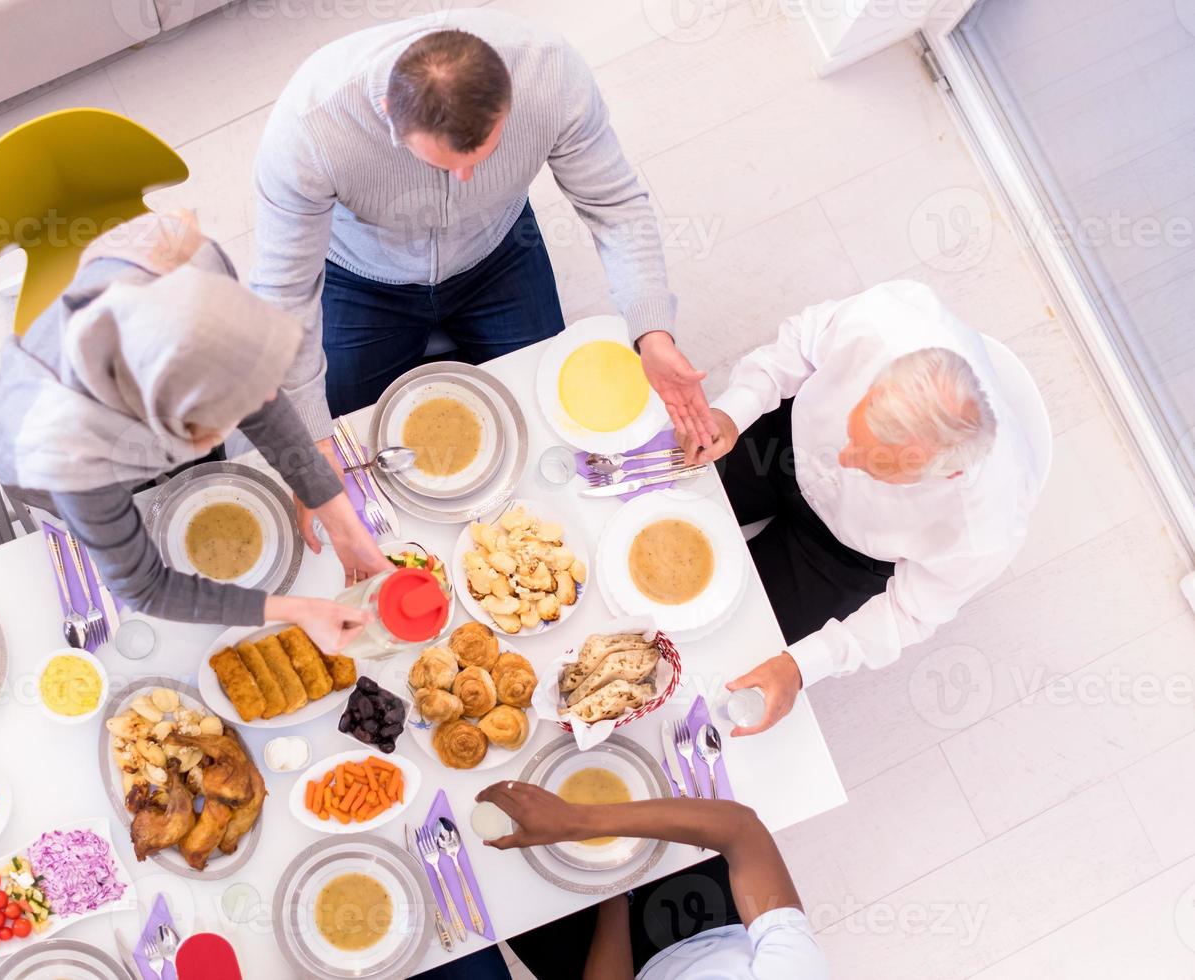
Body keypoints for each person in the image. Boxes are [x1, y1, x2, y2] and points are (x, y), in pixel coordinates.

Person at [250, 9, 720, 546]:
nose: (465, 181)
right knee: (343, 437)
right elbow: (283, 295)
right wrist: (310, 437)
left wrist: (652, 328)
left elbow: (614, 204)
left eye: (483, 154)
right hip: (360, 277)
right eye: (444, 164)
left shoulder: (549, 73)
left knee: (550, 421)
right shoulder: (310, 128)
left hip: (498, 254)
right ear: (387, 113)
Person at [0, 212, 388, 652]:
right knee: (106, 529)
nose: (247, 414)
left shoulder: (192, 264)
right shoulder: (69, 453)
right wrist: (295, 610)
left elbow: (257, 395)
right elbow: (145, 586)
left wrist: (343, 523)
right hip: (42, 454)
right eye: (218, 425)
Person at [701, 281, 1040, 735]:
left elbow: (909, 612)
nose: (844, 458)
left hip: (844, 559)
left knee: (724, 643)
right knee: (661, 500)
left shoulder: (983, 529)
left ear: (946, 473)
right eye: (853, 432)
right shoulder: (887, 322)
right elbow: (801, 345)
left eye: (872, 463)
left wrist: (800, 667)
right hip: (783, 447)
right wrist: (734, 411)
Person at [437, 781, 828, 979]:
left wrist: (613, 891)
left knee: (490, 872)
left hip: (619, 965)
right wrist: (579, 823)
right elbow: (742, 830)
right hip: (712, 923)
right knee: (637, 774)